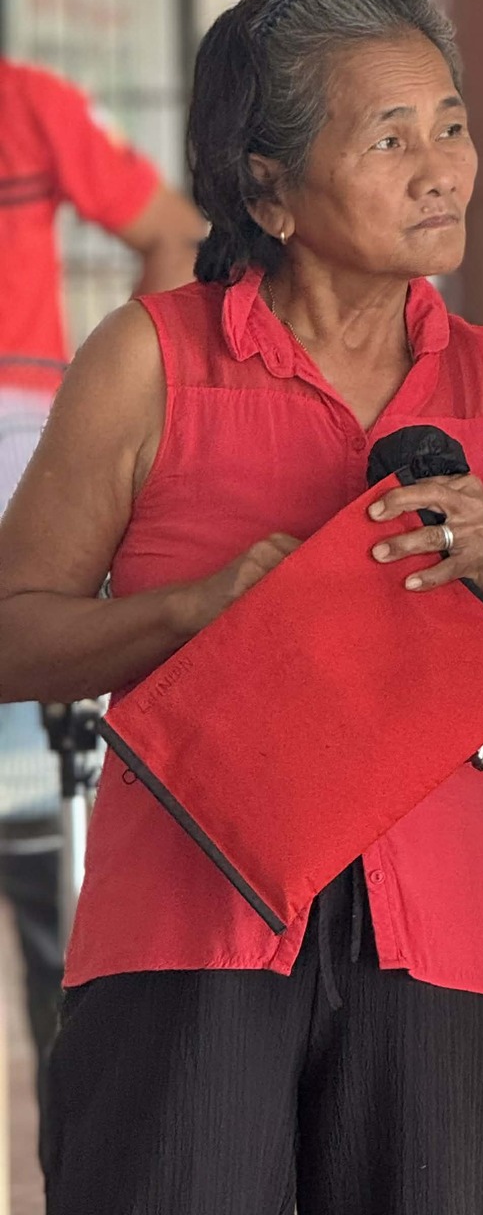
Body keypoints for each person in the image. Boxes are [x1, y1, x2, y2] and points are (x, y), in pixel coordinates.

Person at [0, 0, 483, 1215]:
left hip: (440, 939)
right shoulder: (150, 361)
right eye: (390, 138)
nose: (441, 169)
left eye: (452, 125)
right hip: (185, 929)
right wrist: (191, 609)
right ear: (267, 189)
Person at [0, 55, 203, 1104]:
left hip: (16, 444)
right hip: (19, 438)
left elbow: (173, 232)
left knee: (39, 827)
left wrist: (127, 405)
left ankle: (76, 1126)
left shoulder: (25, 101)